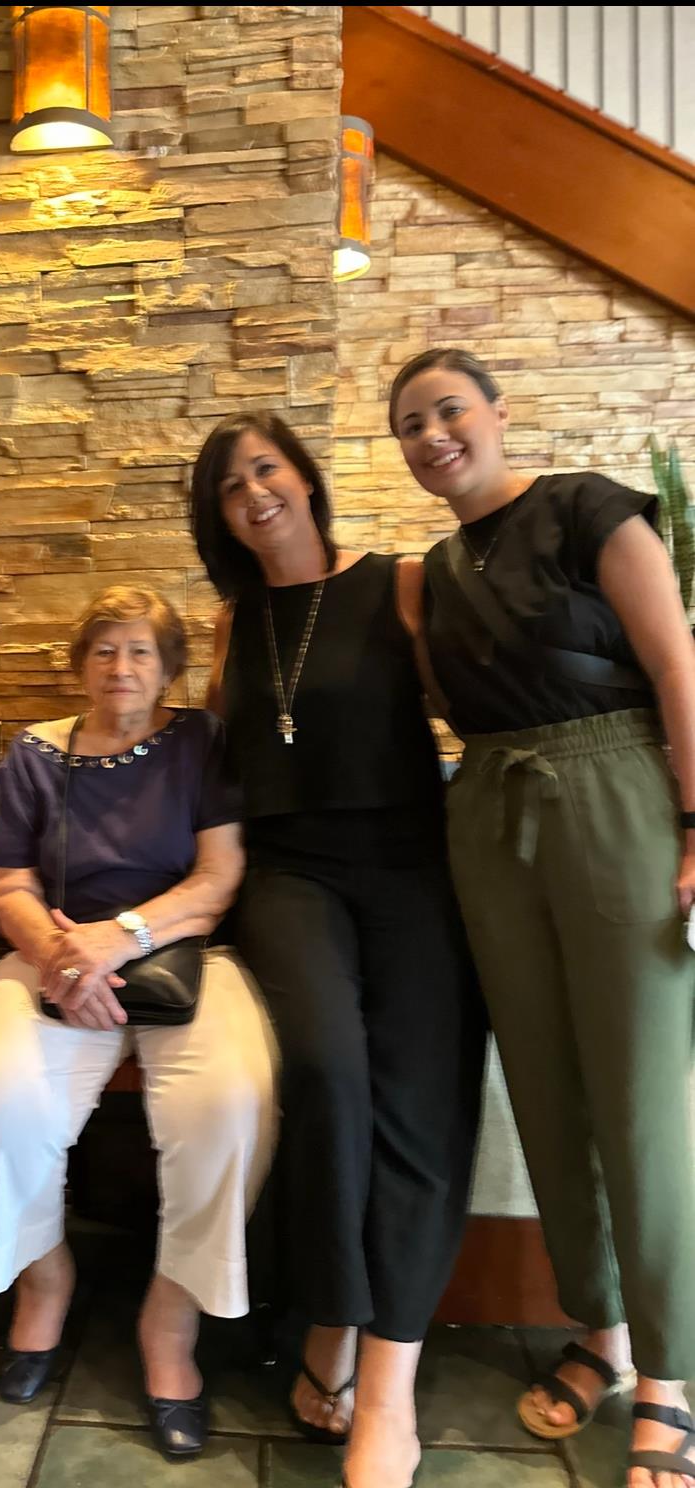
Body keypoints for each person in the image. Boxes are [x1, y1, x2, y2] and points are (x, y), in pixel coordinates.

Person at [390, 347, 695, 1488]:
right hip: (493, 818)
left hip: (616, 793)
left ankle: (671, 1374)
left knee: (640, 1101)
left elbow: (678, 669)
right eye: (411, 423)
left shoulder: (589, 510)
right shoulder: (432, 569)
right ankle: (602, 1333)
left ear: (497, 414)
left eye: (449, 411)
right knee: (550, 1095)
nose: (433, 437)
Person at [193, 413, 486, 1488]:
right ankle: (330, 1313)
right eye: (231, 485)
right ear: (218, 514)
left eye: (267, 469)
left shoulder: (400, 584)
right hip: (288, 875)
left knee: (424, 1096)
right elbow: (202, 758)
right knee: (325, 1066)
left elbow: (477, 705)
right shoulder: (232, 624)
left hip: (413, 865)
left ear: (306, 480)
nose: (254, 492)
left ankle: (389, 1392)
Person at [0, 584, 277, 1463]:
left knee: (232, 1102)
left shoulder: (200, 744)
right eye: (102, 649)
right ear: (79, 663)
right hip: (53, 957)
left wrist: (117, 937)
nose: (119, 667)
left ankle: (169, 1320)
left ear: (169, 669)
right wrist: (60, 955)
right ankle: (44, 1277)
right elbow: (7, 884)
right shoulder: (33, 754)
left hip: (179, 957)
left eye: (138, 651)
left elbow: (217, 879)